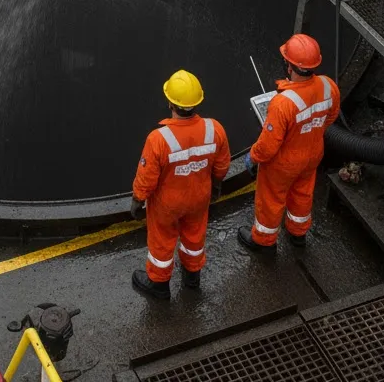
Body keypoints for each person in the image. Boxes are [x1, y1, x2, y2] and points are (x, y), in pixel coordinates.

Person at [130, 70, 231, 299]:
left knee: (162, 241)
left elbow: (146, 178)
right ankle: (192, 277)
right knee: (195, 236)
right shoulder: (214, 128)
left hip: (168, 204)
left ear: (170, 103)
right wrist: (215, 185)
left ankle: (158, 284)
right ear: (197, 102)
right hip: (199, 196)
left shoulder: (158, 139)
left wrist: (137, 200)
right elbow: (222, 165)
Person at [239, 34, 340, 255]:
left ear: (290, 65)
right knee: (303, 192)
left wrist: (253, 157)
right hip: (313, 152)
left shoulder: (282, 103)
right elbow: (330, 117)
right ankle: (297, 232)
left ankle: (264, 241)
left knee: (271, 199)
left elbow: (268, 146)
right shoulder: (328, 86)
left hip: (284, 163)